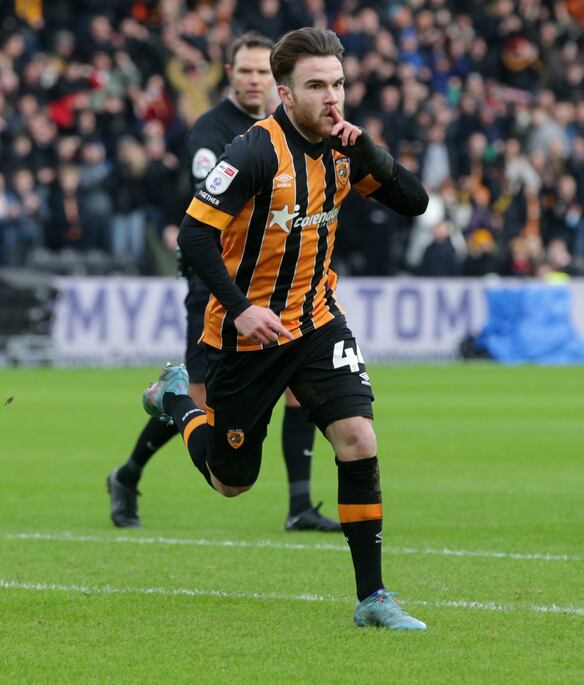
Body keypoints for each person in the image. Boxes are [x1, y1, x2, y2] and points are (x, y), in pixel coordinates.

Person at [140, 27, 429, 629]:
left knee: (358, 439)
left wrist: (371, 151)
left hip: (318, 321)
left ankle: (373, 597)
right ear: (286, 94)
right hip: (249, 335)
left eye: (338, 84)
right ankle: (177, 399)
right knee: (230, 482)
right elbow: (193, 234)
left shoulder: (346, 147)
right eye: (317, 86)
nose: (333, 97)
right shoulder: (252, 152)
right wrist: (240, 308)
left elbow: (415, 202)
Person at [107, 33, 339, 533]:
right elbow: (210, 214)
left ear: (278, 81)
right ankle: (127, 473)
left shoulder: (291, 125)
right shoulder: (213, 131)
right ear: (230, 74)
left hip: (279, 289)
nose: (254, 80)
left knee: (299, 389)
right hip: (220, 288)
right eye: (245, 71)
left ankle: (300, 505)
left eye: (262, 72)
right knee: (200, 401)